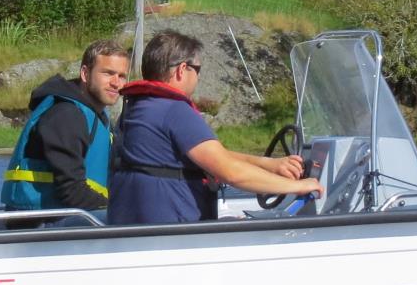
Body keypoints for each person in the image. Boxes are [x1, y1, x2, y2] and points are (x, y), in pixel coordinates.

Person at [108, 30, 321, 225]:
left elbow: (211, 156)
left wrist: (269, 164)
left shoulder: (138, 108)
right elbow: (232, 173)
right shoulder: (174, 111)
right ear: (183, 69)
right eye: (197, 70)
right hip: (173, 238)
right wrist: (301, 186)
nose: (198, 77)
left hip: (140, 231)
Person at [1, 39, 130, 216]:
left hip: (72, 217)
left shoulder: (97, 116)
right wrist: (121, 210)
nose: (117, 83)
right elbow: (72, 192)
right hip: (42, 224)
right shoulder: (65, 115)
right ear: (85, 73)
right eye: (108, 73)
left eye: (122, 76)